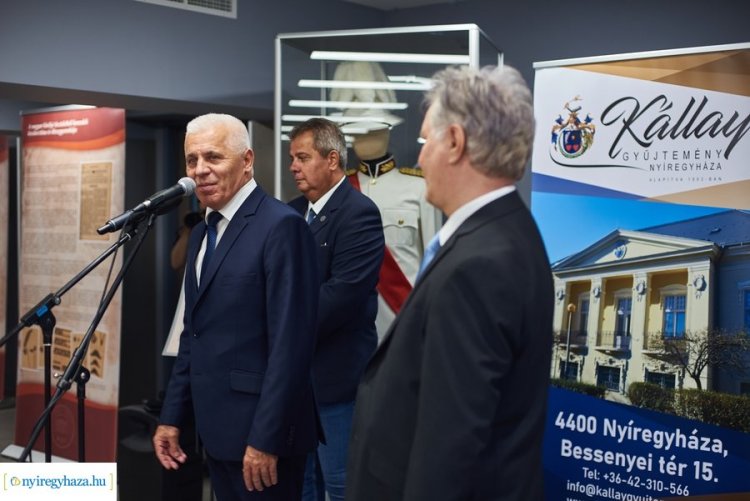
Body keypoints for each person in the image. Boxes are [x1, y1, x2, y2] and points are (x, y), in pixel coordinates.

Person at [346, 65, 554, 500]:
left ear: (455, 142)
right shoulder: (506, 230)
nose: (420, 159)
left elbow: (450, 446)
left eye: (426, 142)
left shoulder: (479, 265)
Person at [153, 113, 320, 500]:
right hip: (215, 429)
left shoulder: (281, 226)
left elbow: (291, 347)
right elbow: (193, 333)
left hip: (262, 438)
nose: (200, 170)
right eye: (192, 160)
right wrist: (172, 417)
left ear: (247, 161)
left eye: (213, 157)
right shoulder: (201, 233)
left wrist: (265, 439)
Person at [287, 118, 384, 501]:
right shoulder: (290, 213)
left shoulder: (359, 212)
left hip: (336, 380)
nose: (293, 167)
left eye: (302, 157)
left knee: (342, 485)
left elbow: (342, 294)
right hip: (294, 380)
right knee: (301, 483)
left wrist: (281, 325)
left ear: (331, 160)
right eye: (292, 158)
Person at [347, 126, 442, 342]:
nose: (364, 139)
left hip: (402, 317)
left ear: (386, 134)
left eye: (372, 133)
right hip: (353, 325)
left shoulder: (418, 187)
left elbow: (434, 261)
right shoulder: (342, 188)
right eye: (358, 133)